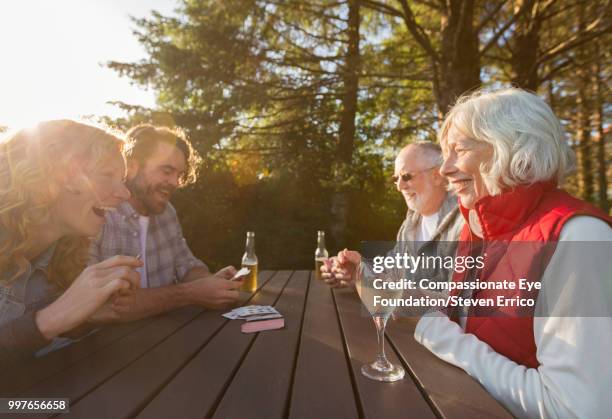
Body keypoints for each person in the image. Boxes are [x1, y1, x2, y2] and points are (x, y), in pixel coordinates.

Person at [415, 88, 612, 418]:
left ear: (513, 147)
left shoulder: (579, 238)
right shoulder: (478, 225)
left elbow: (575, 410)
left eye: (458, 150)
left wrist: (431, 329)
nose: (444, 169)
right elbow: (473, 329)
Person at [0, 120, 140, 369]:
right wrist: (51, 318)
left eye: (123, 179)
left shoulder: (61, 255)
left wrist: (88, 315)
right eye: (107, 175)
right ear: (54, 176)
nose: (125, 194)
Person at [90, 124, 242, 323]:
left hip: (166, 339)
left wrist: (212, 282)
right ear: (132, 167)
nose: (175, 182)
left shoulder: (167, 213)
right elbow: (101, 307)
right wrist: (189, 293)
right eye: (167, 171)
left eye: (179, 175)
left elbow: (186, 265)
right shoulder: (100, 214)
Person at [322, 141, 464, 291]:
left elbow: (453, 300)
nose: (399, 187)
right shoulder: (410, 224)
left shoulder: (464, 224)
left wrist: (367, 280)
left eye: (407, 176)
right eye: (396, 179)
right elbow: (392, 272)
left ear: (437, 175)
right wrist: (353, 273)